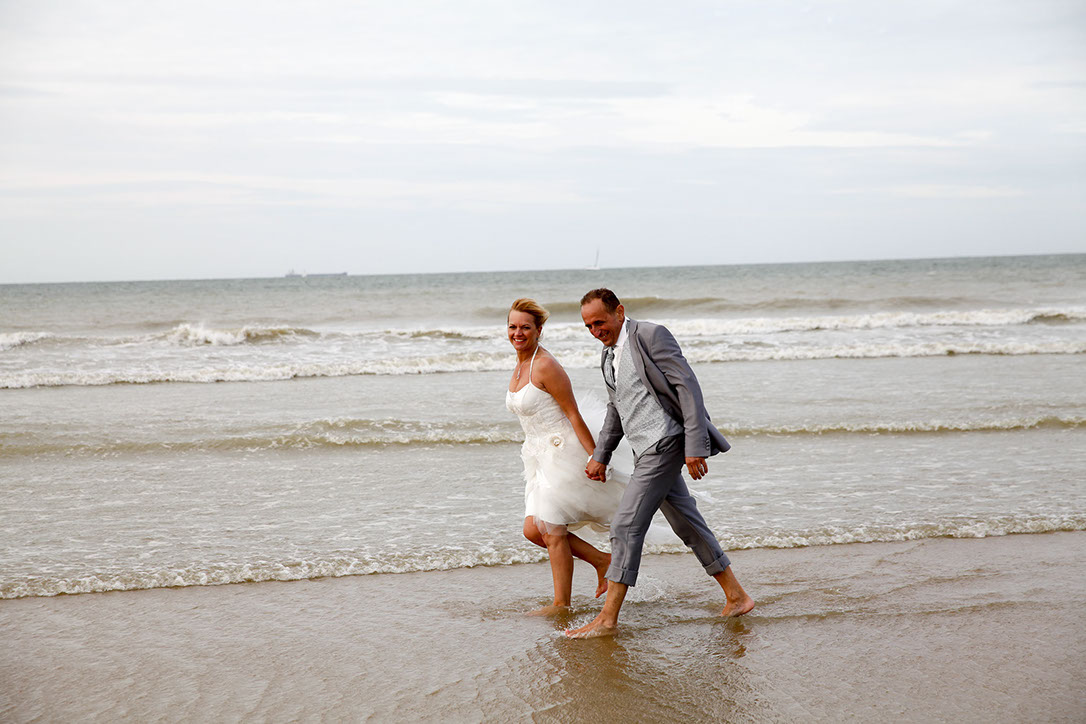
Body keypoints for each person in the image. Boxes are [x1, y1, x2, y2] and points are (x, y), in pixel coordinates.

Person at [566, 289, 754, 638]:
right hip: (643, 449)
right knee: (687, 524)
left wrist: (694, 445)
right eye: (588, 326)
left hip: (665, 441)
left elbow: (687, 387)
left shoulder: (650, 335)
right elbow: (617, 409)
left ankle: (607, 618)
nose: (595, 330)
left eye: (600, 322)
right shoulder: (607, 357)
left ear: (619, 312)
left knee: (625, 526)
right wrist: (600, 455)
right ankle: (736, 595)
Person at [505, 298, 625, 615]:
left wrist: (596, 457)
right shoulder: (520, 364)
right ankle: (604, 561)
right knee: (533, 530)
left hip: (561, 452)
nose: (518, 333)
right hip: (536, 456)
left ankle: (561, 605)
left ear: (538, 330)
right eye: (513, 326)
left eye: (525, 327)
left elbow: (573, 415)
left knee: (553, 531)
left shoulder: (545, 365)